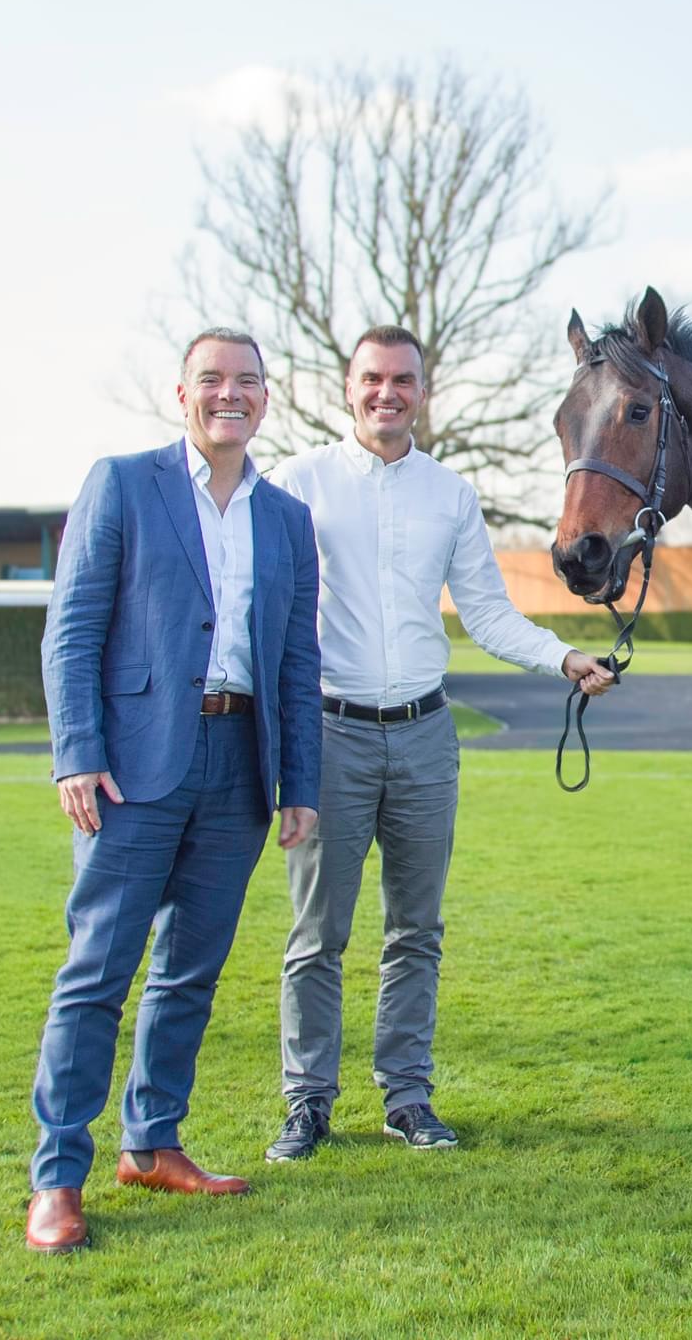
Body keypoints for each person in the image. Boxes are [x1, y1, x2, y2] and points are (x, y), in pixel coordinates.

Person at [262, 325, 615, 1159]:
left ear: (423, 392)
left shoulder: (450, 495)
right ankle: (308, 1103)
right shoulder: (296, 485)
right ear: (349, 387)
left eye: (403, 381)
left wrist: (563, 657)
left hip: (425, 738)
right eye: (373, 379)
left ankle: (407, 1097)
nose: (387, 393)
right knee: (317, 936)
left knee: (416, 931)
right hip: (330, 737)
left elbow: (486, 611)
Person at [23, 327, 322, 1254]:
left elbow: (297, 659)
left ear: (266, 398)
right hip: (132, 765)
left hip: (240, 765)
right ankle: (57, 1177)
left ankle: (152, 1142)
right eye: (212, 380)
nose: (230, 394)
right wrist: (76, 753)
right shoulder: (122, 484)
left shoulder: (287, 519)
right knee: (98, 974)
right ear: (181, 394)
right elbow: (72, 629)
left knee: (190, 972)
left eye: (247, 381)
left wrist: (299, 781)